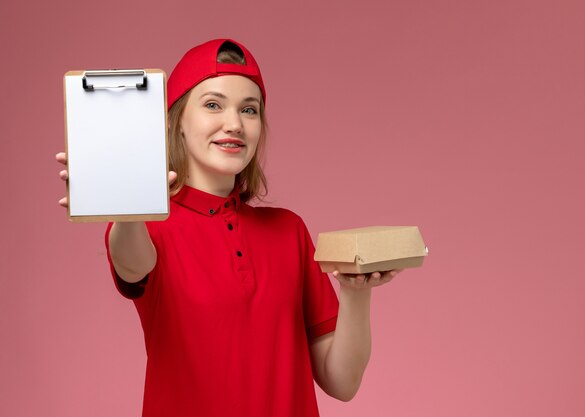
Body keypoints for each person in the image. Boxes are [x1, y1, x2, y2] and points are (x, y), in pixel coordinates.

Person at [56, 38, 402, 417]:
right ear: (176, 122)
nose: (234, 124)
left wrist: (355, 293)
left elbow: (342, 382)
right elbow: (131, 263)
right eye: (212, 105)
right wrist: (126, 204)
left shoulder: (289, 232)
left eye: (249, 110)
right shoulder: (147, 227)